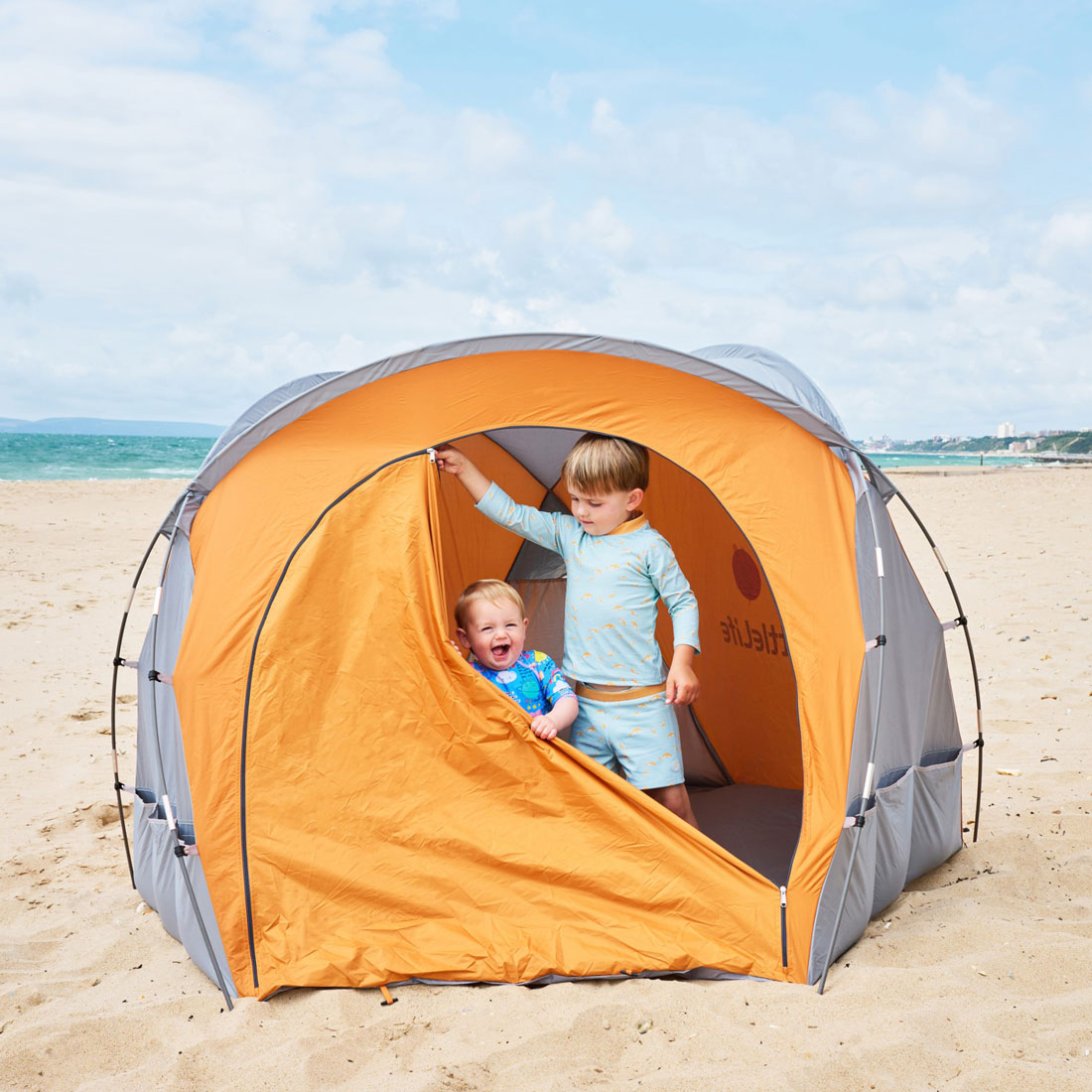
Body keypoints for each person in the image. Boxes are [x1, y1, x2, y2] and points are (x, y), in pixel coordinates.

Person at [436, 434, 701, 828]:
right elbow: (512, 514)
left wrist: (682, 663)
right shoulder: (570, 535)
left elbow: (683, 602)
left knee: (672, 800)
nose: (581, 511)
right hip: (587, 704)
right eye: (575, 499)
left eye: (594, 503)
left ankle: (705, 879)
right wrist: (465, 470)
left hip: (642, 704)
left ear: (631, 500)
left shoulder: (649, 547)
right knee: (593, 803)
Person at [454, 578, 578, 742]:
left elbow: (568, 700)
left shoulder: (538, 663)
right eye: (487, 628)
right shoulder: (466, 673)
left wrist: (552, 720)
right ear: (465, 638)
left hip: (539, 755)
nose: (501, 634)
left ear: (524, 627)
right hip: (492, 757)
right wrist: (448, 666)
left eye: (510, 625)